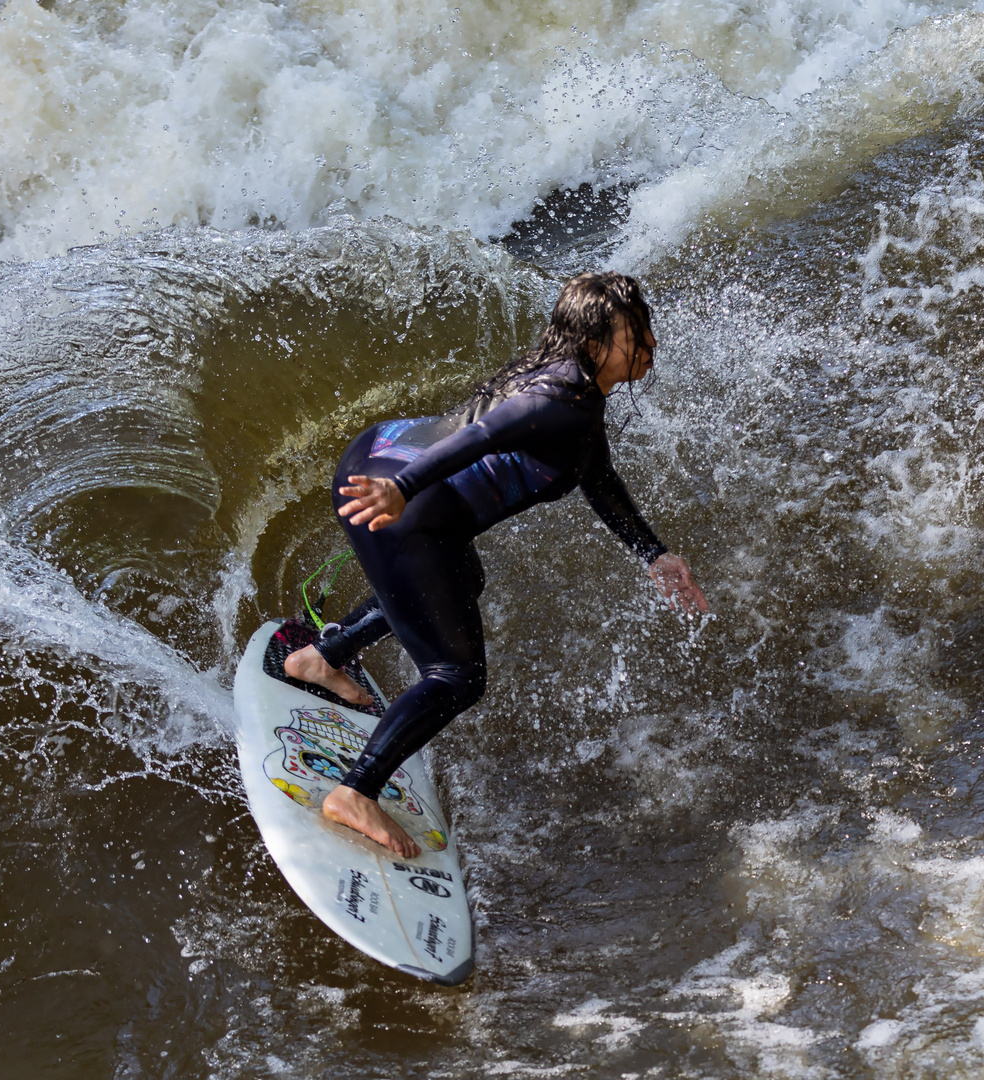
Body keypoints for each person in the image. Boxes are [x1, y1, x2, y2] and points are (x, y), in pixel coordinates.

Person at [283, 272, 708, 858]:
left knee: (462, 580)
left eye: (645, 329)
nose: (648, 345)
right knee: (458, 676)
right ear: (592, 345)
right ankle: (356, 792)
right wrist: (401, 490)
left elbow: (597, 474)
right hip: (396, 499)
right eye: (634, 335)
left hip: (380, 450)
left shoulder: (567, 386)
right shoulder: (560, 403)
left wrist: (655, 554)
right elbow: (485, 433)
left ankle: (321, 658)